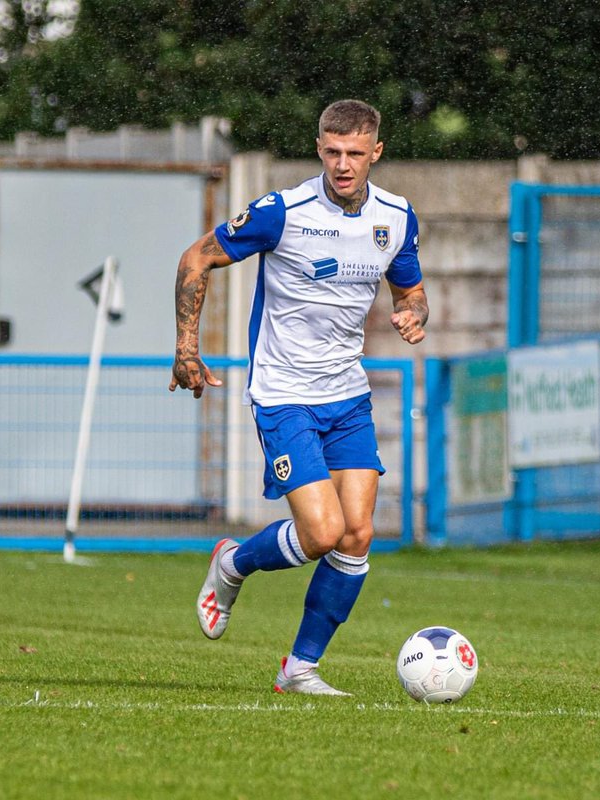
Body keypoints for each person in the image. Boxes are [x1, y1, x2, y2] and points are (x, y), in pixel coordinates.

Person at [168, 99, 429, 696]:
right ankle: (232, 563)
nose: (343, 165)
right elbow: (197, 258)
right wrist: (187, 347)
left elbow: (411, 291)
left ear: (375, 153)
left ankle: (300, 668)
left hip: (347, 395)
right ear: (320, 149)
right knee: (320, 534)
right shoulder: (282, 211)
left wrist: (412, 314)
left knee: (357, 534)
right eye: (333, 152)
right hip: (284, 393)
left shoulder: (397, 217)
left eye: (356, 154)